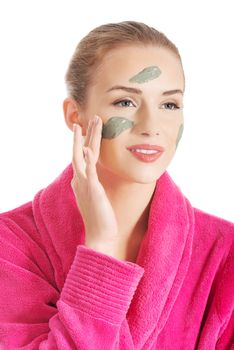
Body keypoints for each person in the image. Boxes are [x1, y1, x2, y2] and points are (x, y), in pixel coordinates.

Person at [0, 20, 233, 350]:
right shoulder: (9, 244)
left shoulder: (225, 251)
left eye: (169, 104)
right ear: (74, 115)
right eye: (126, 102)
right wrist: (100, 247)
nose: (151, 126)